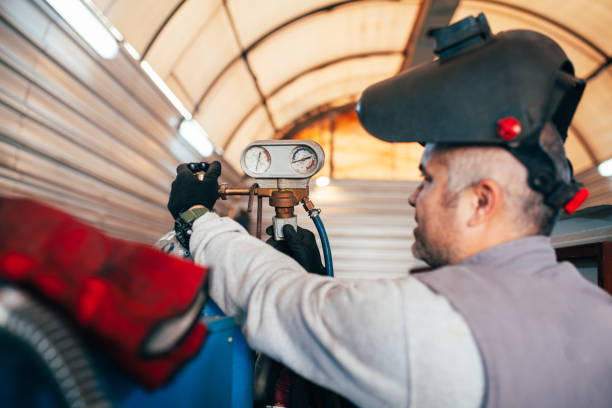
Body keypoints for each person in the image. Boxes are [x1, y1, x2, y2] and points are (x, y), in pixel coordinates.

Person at [166, 14, 612, 408]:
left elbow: (273, 299)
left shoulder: (433, 325)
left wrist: (199, 218)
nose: (414, 197)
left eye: (429, 179)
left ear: (482, 201)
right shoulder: (600, 317)